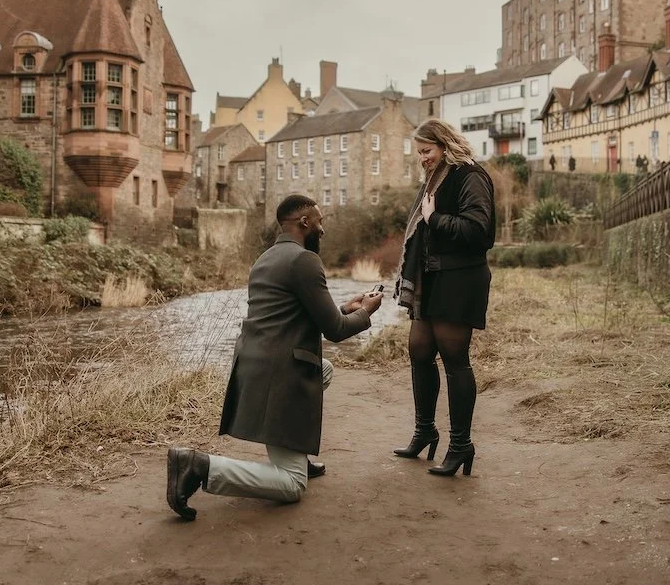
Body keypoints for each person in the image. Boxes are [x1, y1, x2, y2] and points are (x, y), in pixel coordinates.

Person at [166, 194, 384, 520]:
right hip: (278, 374)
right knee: (292, 486)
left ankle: (296, 454)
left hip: (253, 366)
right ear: (304, 222)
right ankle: (200, 466)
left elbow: (298, 315)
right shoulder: (304, 261)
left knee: (321, 369)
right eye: (319, 221)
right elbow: (335, 331)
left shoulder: (265, 259)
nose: (322, 230)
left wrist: (343, 308)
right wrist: (366, 312)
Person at [393, 119, 496, 477]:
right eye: (419, 153)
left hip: (459, 278)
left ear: (445, 144)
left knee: (455, 358)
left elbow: (479, 231)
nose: (422, 159)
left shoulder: (470, 176)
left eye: (426, 151)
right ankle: (425, 431)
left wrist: (435, 218)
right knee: (419, 350)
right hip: (431, 279)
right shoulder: (434, 181)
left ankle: (461, 444)